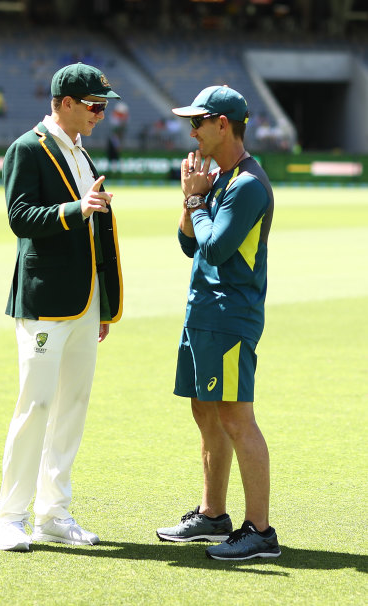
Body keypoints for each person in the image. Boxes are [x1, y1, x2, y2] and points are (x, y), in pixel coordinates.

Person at [0, 63, 123, 552]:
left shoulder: (81, 153)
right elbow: (20, 217)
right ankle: (10, 517)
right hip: (45, 302)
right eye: (94, 105)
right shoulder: (27, 148)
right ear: (65, 102)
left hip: (84, 303)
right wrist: (78, 209)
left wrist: (102, 306)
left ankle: (53, 513)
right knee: (36, 405)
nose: (100, 113)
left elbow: (96, 233)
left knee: (72, 406)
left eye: (103, 106)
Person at [156, 85, 280, 561]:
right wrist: (192, 201)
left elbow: (215, 247)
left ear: (222, 124)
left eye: (198, 122)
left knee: (234, 416)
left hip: (231, 316)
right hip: (203, 312)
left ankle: (260, 532)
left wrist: (195, 201)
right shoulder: (222, 177)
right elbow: (190, 245)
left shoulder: (248, 183)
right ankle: (213, 516)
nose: (191, 131)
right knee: (205, 411)